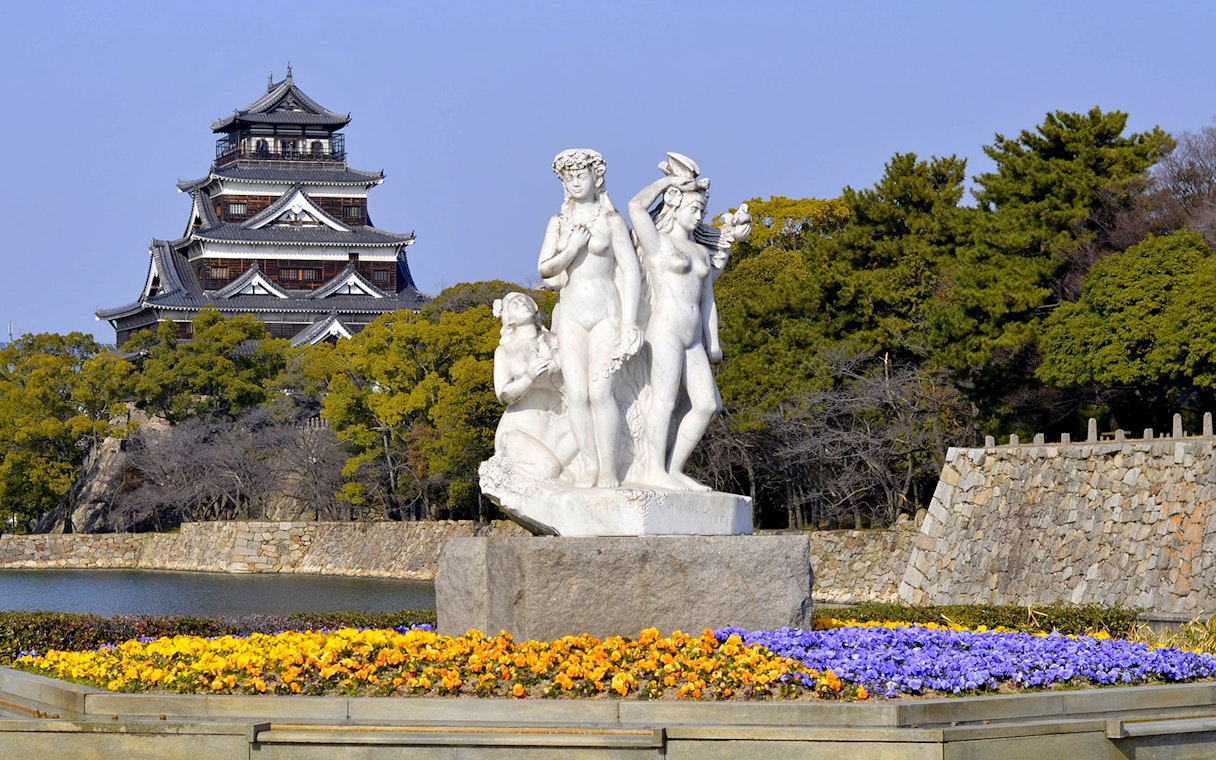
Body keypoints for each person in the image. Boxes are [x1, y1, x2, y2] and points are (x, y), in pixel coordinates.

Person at [628, 153, 744, 491]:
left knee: (708, 404)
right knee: (662, 399)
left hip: (692, 335)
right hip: (664, 328)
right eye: (694, 209)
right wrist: (669, 184)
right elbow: (635, 207)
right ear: (675, 206)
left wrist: (715, 342)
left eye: (702, 211)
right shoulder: (658, 243)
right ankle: (653, 471)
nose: (700, 216)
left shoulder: (699, 253)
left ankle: (673, 467)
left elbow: (708, 298)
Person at [537, 149, 642, 487]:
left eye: (581, 174)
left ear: (597, 179)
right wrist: (571, 248)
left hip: (605, 312)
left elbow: (630, 270)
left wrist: (629, 322)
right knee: (578, 396)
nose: (575, 181)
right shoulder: (558, 222)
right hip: (570, 314)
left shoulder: (611, 221)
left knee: (601, 393)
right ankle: (591, 466)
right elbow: (544, 269)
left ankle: (610, 467)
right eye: (569, 177)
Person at [490, 292, 573, 479]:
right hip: (519, 431)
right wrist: (528, 378)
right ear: (508, 319)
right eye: (515, 304)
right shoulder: (506, 351)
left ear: (535, 308)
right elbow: (503, 395)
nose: (522, 303)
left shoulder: (555, 340)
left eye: (525, 300)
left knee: (589, 427)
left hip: (555, 424)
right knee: (548, 468)